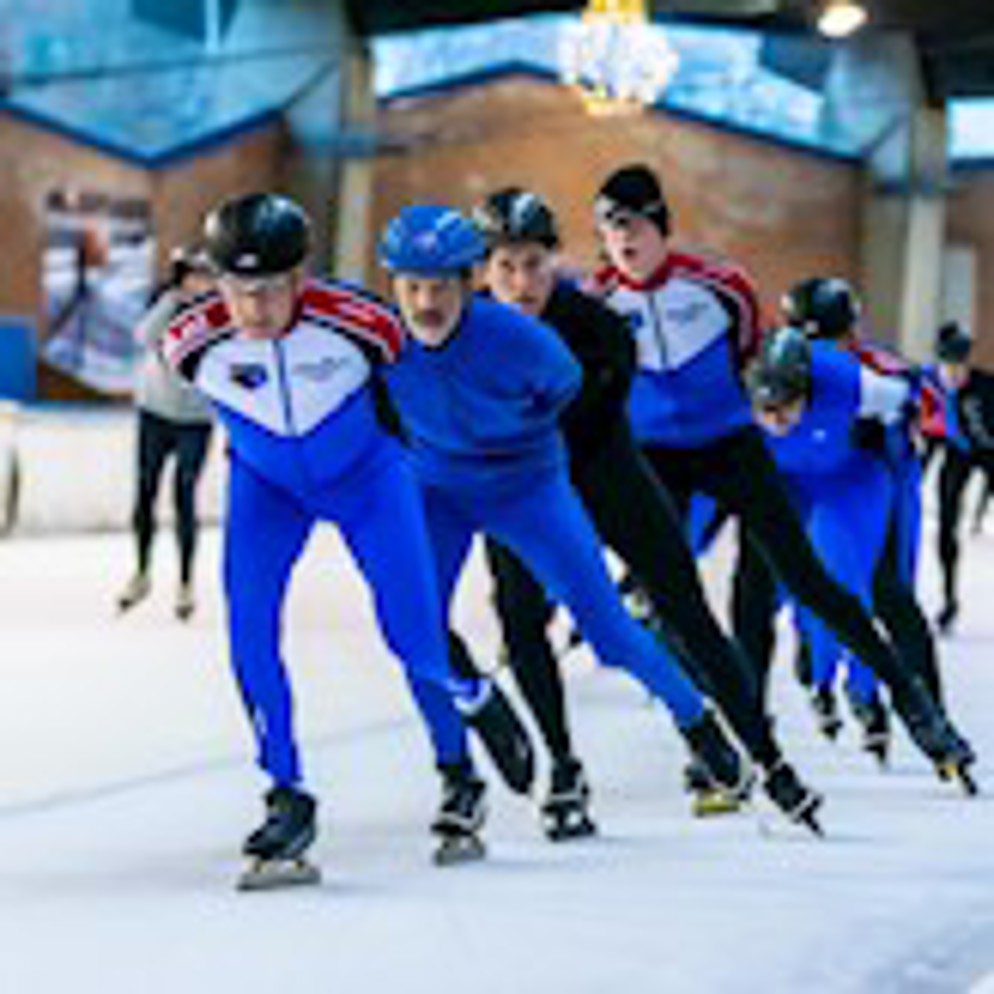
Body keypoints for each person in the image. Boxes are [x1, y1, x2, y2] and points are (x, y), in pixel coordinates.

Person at [376, 202, 828, 833]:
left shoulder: (558, 335)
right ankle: (508, 767)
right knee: (465, 625)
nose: (519, 283)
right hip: (461, 485)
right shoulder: (399, 335)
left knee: (633, 624)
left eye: (532, 266)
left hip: (557, 478)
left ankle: (722, 735)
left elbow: (571, 401)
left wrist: (512, 448)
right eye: (505, 268)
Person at [161, 192, 532, 874]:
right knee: (248, 632)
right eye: (239, 291)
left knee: (413, 640)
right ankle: (286, 793)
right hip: (267, 488)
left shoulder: (362, 322)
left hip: (368, 480)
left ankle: (462, 753)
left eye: (271, 290)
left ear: (301, 277)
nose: (255, 309)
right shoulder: (189, 342)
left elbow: (434, 376)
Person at [588, 163, 971, 781]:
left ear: (661, 226)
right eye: (610, 230)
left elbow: (914, 403)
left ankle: (917, 707)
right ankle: (729, 729)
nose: (624, 241)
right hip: (661, 455)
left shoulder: (730, 294)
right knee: (676, 598)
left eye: (634, 226)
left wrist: (895, 443)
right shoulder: (596, 303)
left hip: (733, 446)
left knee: (811, 583)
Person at [748, 326, 912, 763]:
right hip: (787, 484)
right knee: (784, 588)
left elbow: (906, 412)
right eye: (768, 411)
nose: (777, 421)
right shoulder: (732, 398)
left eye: (787, 408)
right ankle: (816, 674)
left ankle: (865, 691)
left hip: (845, 479)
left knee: (846, 584)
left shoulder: (856, 385)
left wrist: (892, 466)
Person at [781, 277, 947, 707]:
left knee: (844, 586)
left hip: (841, 489)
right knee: (884, 594)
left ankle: (827, 665)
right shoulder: (879, 366)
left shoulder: (792, 362)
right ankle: (917, 701)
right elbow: (930, 410)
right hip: (862, 489)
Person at [117, 248, 215, 620]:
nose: (198, 284)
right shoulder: (166, 304)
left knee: (184, 495)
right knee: (145, 491)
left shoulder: (219, 314)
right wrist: (172, 300)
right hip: (155, 412)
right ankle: (141, 572)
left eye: (205, 277)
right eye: (192, 276)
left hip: (195, 418)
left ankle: (185, 583)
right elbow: (143, 335)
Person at [928, 321, 994, 634]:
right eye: (948, 367)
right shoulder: (933, 387)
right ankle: (949, 599)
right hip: (958, 454)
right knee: (946, 524)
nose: (954, 374)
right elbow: (929, 437)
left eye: (960, 367)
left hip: (990, 452)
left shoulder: (986, 387)